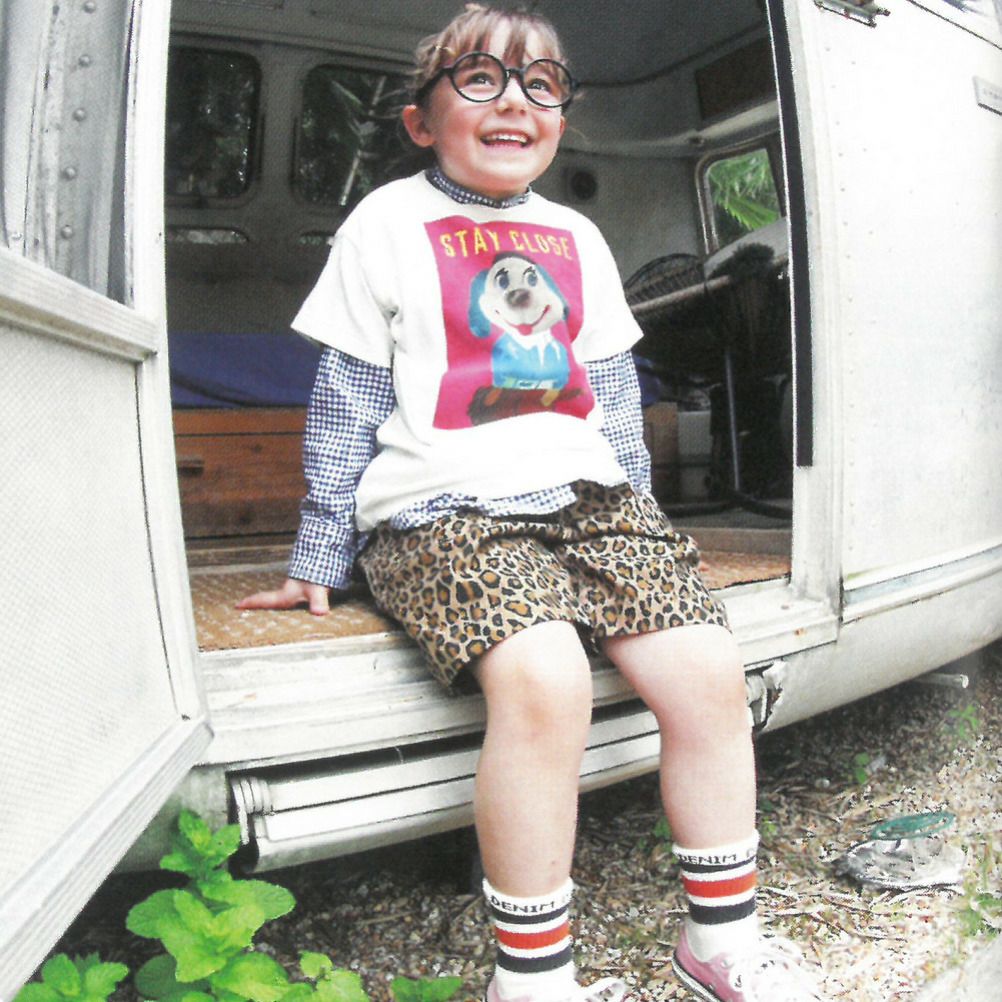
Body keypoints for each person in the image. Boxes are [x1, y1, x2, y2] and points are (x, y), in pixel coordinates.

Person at [237, 5, 827, 1001]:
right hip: (443, 511)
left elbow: (615, 393)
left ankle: (720, 940)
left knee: (708, 671)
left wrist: (641, 519)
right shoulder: (385, 223)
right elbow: (349, 400)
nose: (514, 101)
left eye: (541, 85)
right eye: (480, 80)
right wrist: (319, 553)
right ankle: (535, 978)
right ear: (422, 121)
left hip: (591, 502)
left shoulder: (576, 234)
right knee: (546, 681)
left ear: (560, 117)